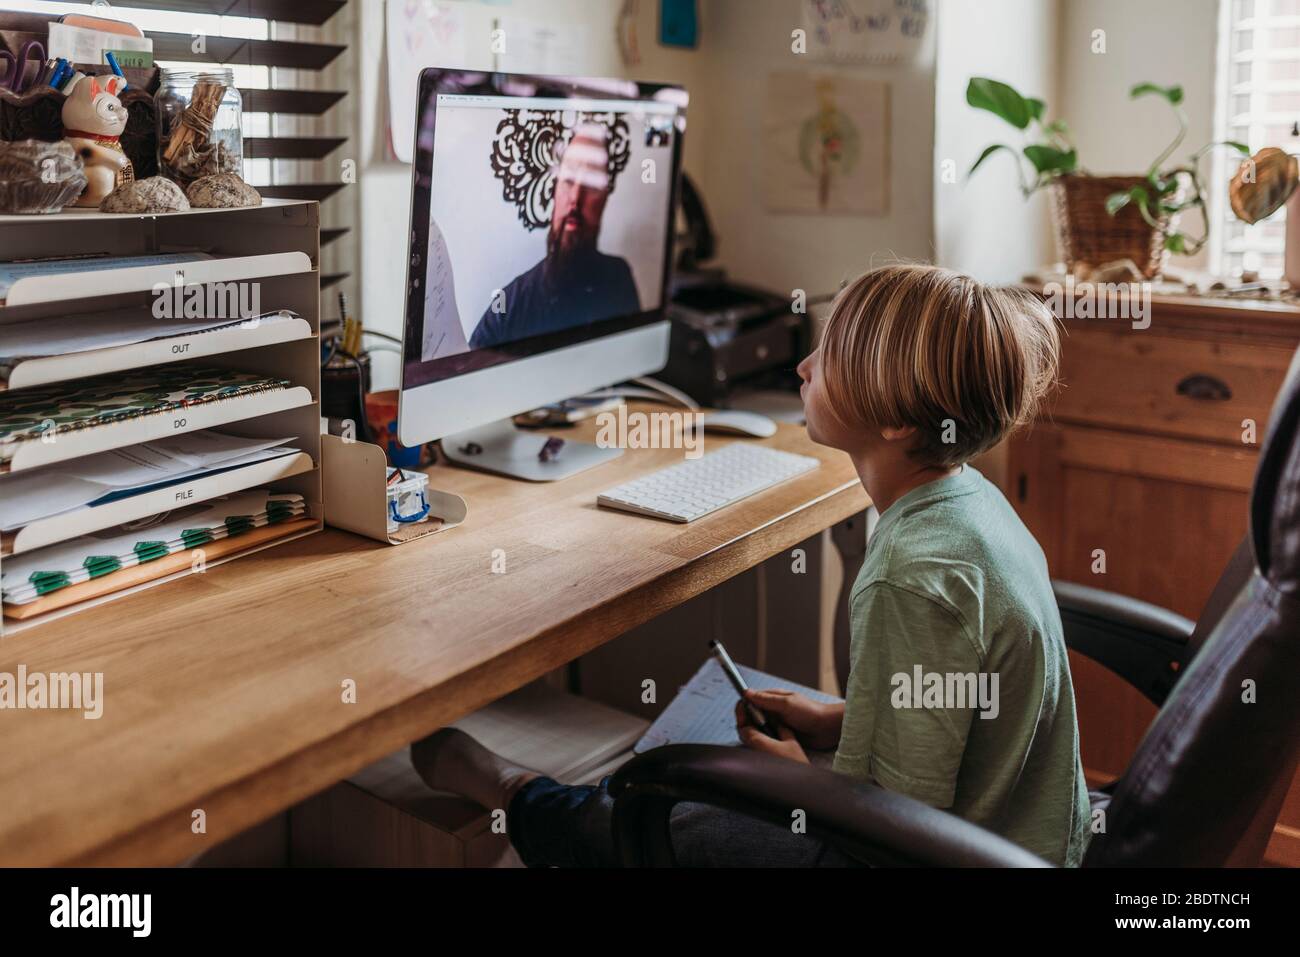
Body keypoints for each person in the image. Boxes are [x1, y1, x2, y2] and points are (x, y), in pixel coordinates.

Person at [414, 263, 1092, 868]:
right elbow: (952, 703)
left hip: (919, 850)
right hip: (1022, 837)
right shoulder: (970, 504)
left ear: (895, 422)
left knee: (642, 817)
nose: (804, 367)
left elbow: (886, 834)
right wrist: (837, 721)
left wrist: (800, 783)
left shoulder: (911, 576)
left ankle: (515, 790)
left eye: (829, 357)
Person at [469, 123, 641, 349]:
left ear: (604, 200)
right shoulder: (509, 307)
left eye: (590, 184)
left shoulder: (618, 280)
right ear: (554, 191)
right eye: (568, 180)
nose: (575, 198)